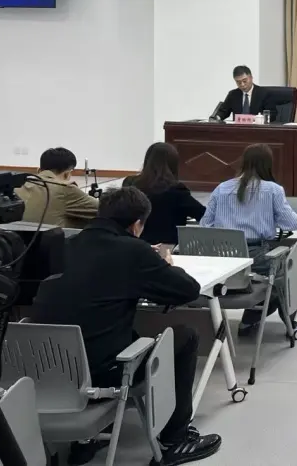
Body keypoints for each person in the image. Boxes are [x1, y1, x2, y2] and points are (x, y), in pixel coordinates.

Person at [31, 187, 222, 465]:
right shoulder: (133, 250)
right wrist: (163, 263)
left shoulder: (63, 244)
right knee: (185, 336)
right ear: (136, 225)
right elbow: (187, 289)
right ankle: (175, 439)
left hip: (47, 370)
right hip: (101, 374)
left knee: (104, 328)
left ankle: (86, 441)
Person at [201, 144, 297, 337]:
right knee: (287, 268)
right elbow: (292, 223)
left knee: (273, 280)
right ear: (268, 165)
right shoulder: (273, 190)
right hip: (256, 256)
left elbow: (205, 225)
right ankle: (293, 323)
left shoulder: (221, 188)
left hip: (222, 258)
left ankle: (250, 319)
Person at [124, 142, 205, 246]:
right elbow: (203, 215)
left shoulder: (129, 183)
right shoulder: (177, 189)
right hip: (166, 248)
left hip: (134, 245)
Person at [14, 146, 98, 229]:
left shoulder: (17, 186)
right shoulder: (65, 188)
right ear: (67, 174)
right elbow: (102, 209)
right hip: (53, 237)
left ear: (39, 170)